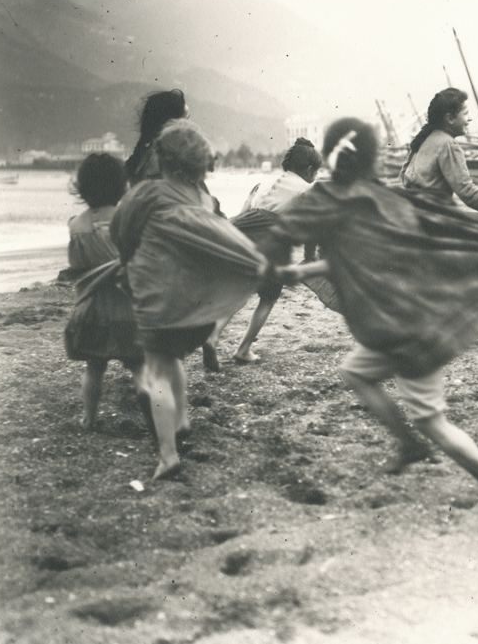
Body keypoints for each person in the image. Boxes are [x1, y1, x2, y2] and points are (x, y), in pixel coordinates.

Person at [277, 118, 478, 507]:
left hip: (404, 329)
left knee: (433, 421)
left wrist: (293, 267)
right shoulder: (389, 201)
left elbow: (327, 248)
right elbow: (351, 261)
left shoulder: (348, 205)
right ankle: (409, 445)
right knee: (355, 372)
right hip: (406, 320)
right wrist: (301, 270)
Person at [110, 119, 312, 479]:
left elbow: (120, 227)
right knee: (173, 361)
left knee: (156, 370)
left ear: (161, 159)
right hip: (196, 303)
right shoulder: (204, 198)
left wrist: (127, 260)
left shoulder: (147, 194)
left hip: (157, 300)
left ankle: (168, 454)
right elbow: (223, 236)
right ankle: (183, 418)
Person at [121, 89, 225, 372]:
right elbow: (178, 195)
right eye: (184, 115)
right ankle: (203, 341)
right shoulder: (165, 154)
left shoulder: (144, 152)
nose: (189, 120)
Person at [221, 138, 323, 364]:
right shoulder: (308, 189)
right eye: (315, 173)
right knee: (268, 298)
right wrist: (308, 256)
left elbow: (244, 212)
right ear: (309, 170)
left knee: (240, 293)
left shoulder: (262, 184)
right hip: (272, 242)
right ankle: (243, 349)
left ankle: (211, 336)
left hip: (242, 235)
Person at [64, 153, 143, 430]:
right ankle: (154, 415)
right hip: (129, 311)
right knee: (139, 367)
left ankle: (89, 418)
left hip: (95, 312)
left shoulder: (77, 227)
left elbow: (78, 266)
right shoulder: (129, 219)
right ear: (122, 186)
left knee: (95, 367)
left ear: (82, 189)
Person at [400, 88, 478, 217]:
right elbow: (467, 193)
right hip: (434, 218)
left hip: (414, 214)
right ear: (450, 118)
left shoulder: (423, 139)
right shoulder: (448, 144)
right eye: (466, 114)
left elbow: (404, 175)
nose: (469, 119)